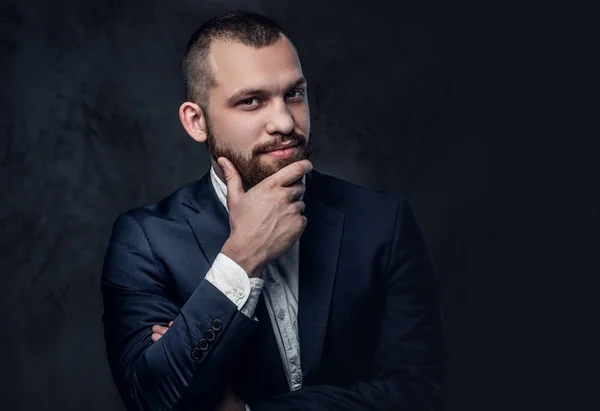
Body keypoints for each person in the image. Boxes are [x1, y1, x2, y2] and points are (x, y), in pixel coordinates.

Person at [101, 10, 446, 411]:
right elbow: (152, 399)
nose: (284, 121)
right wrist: (242, 257)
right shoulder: (144, 240)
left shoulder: (383, 222)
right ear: (197, 122)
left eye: (294, 94)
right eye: (251, 101)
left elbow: (419, 395)